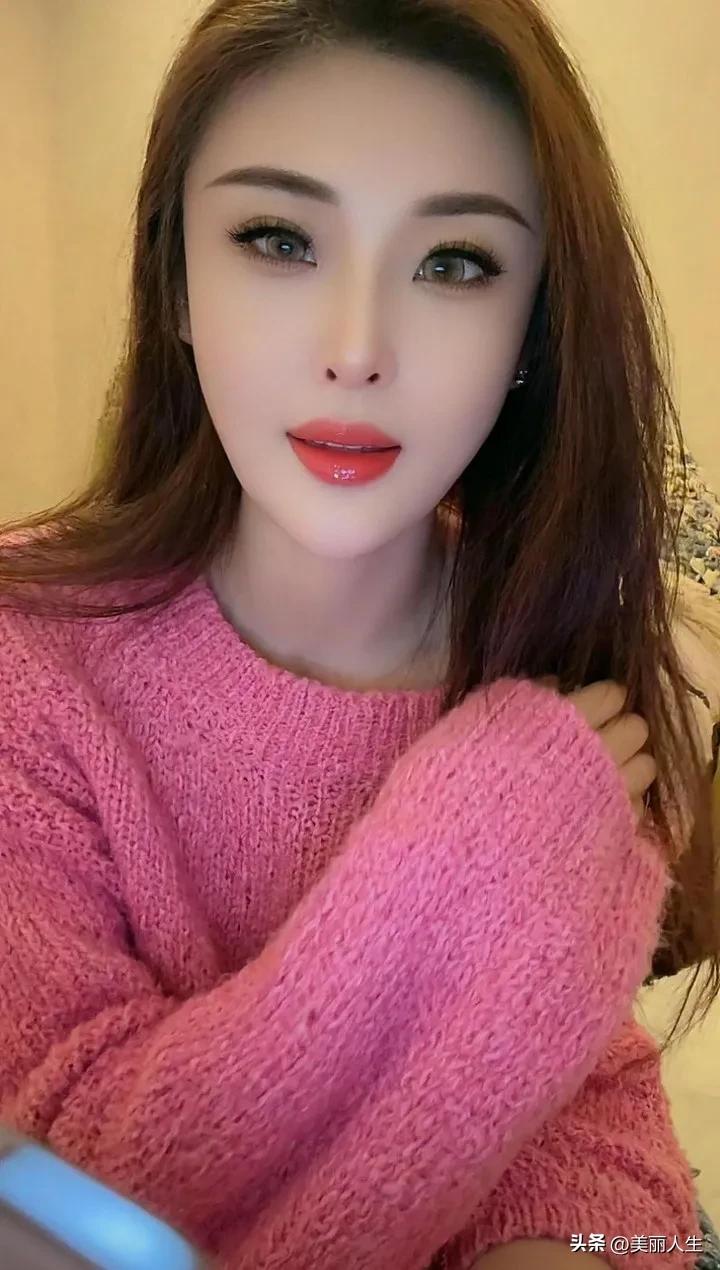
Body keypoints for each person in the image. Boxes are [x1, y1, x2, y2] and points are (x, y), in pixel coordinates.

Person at [0, 1, 718, 1267]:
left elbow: (580, 1103)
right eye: (278, 238)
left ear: (531, 333)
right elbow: (66, 1204)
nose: (356, 351)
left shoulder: (555, 638)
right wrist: (457, 850)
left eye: (457, 262)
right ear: (173, 283)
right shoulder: (27, 656)